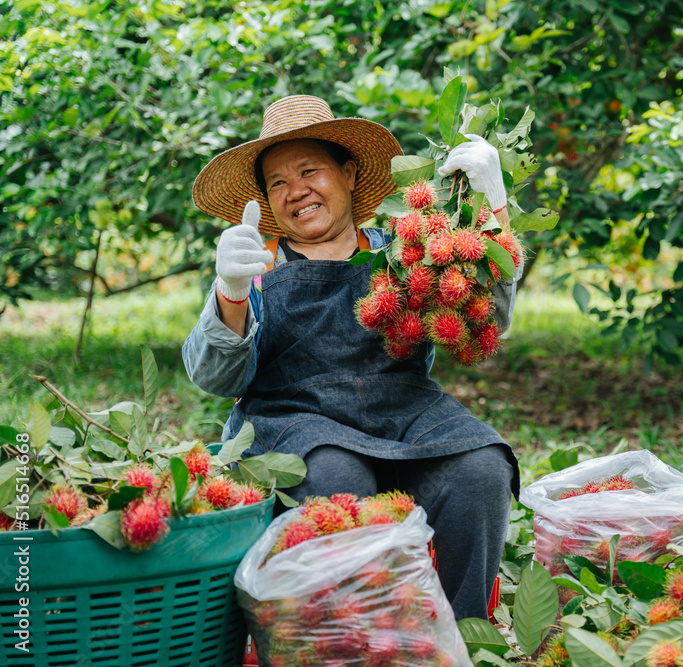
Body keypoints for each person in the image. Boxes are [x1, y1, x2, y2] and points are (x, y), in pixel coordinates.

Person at [182, 94, 520, 620]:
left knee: (482, 470)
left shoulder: (406, 252)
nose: (296, 191)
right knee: (337, 478)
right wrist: (230, 290)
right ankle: (347, 640)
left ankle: (463, 636)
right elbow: (215, 375)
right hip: (294, 421)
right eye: (277, 183)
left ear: (349, 175)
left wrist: (492, 212)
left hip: (407, 412)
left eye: (309, 170)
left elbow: (488, 321)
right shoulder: (255, 263)